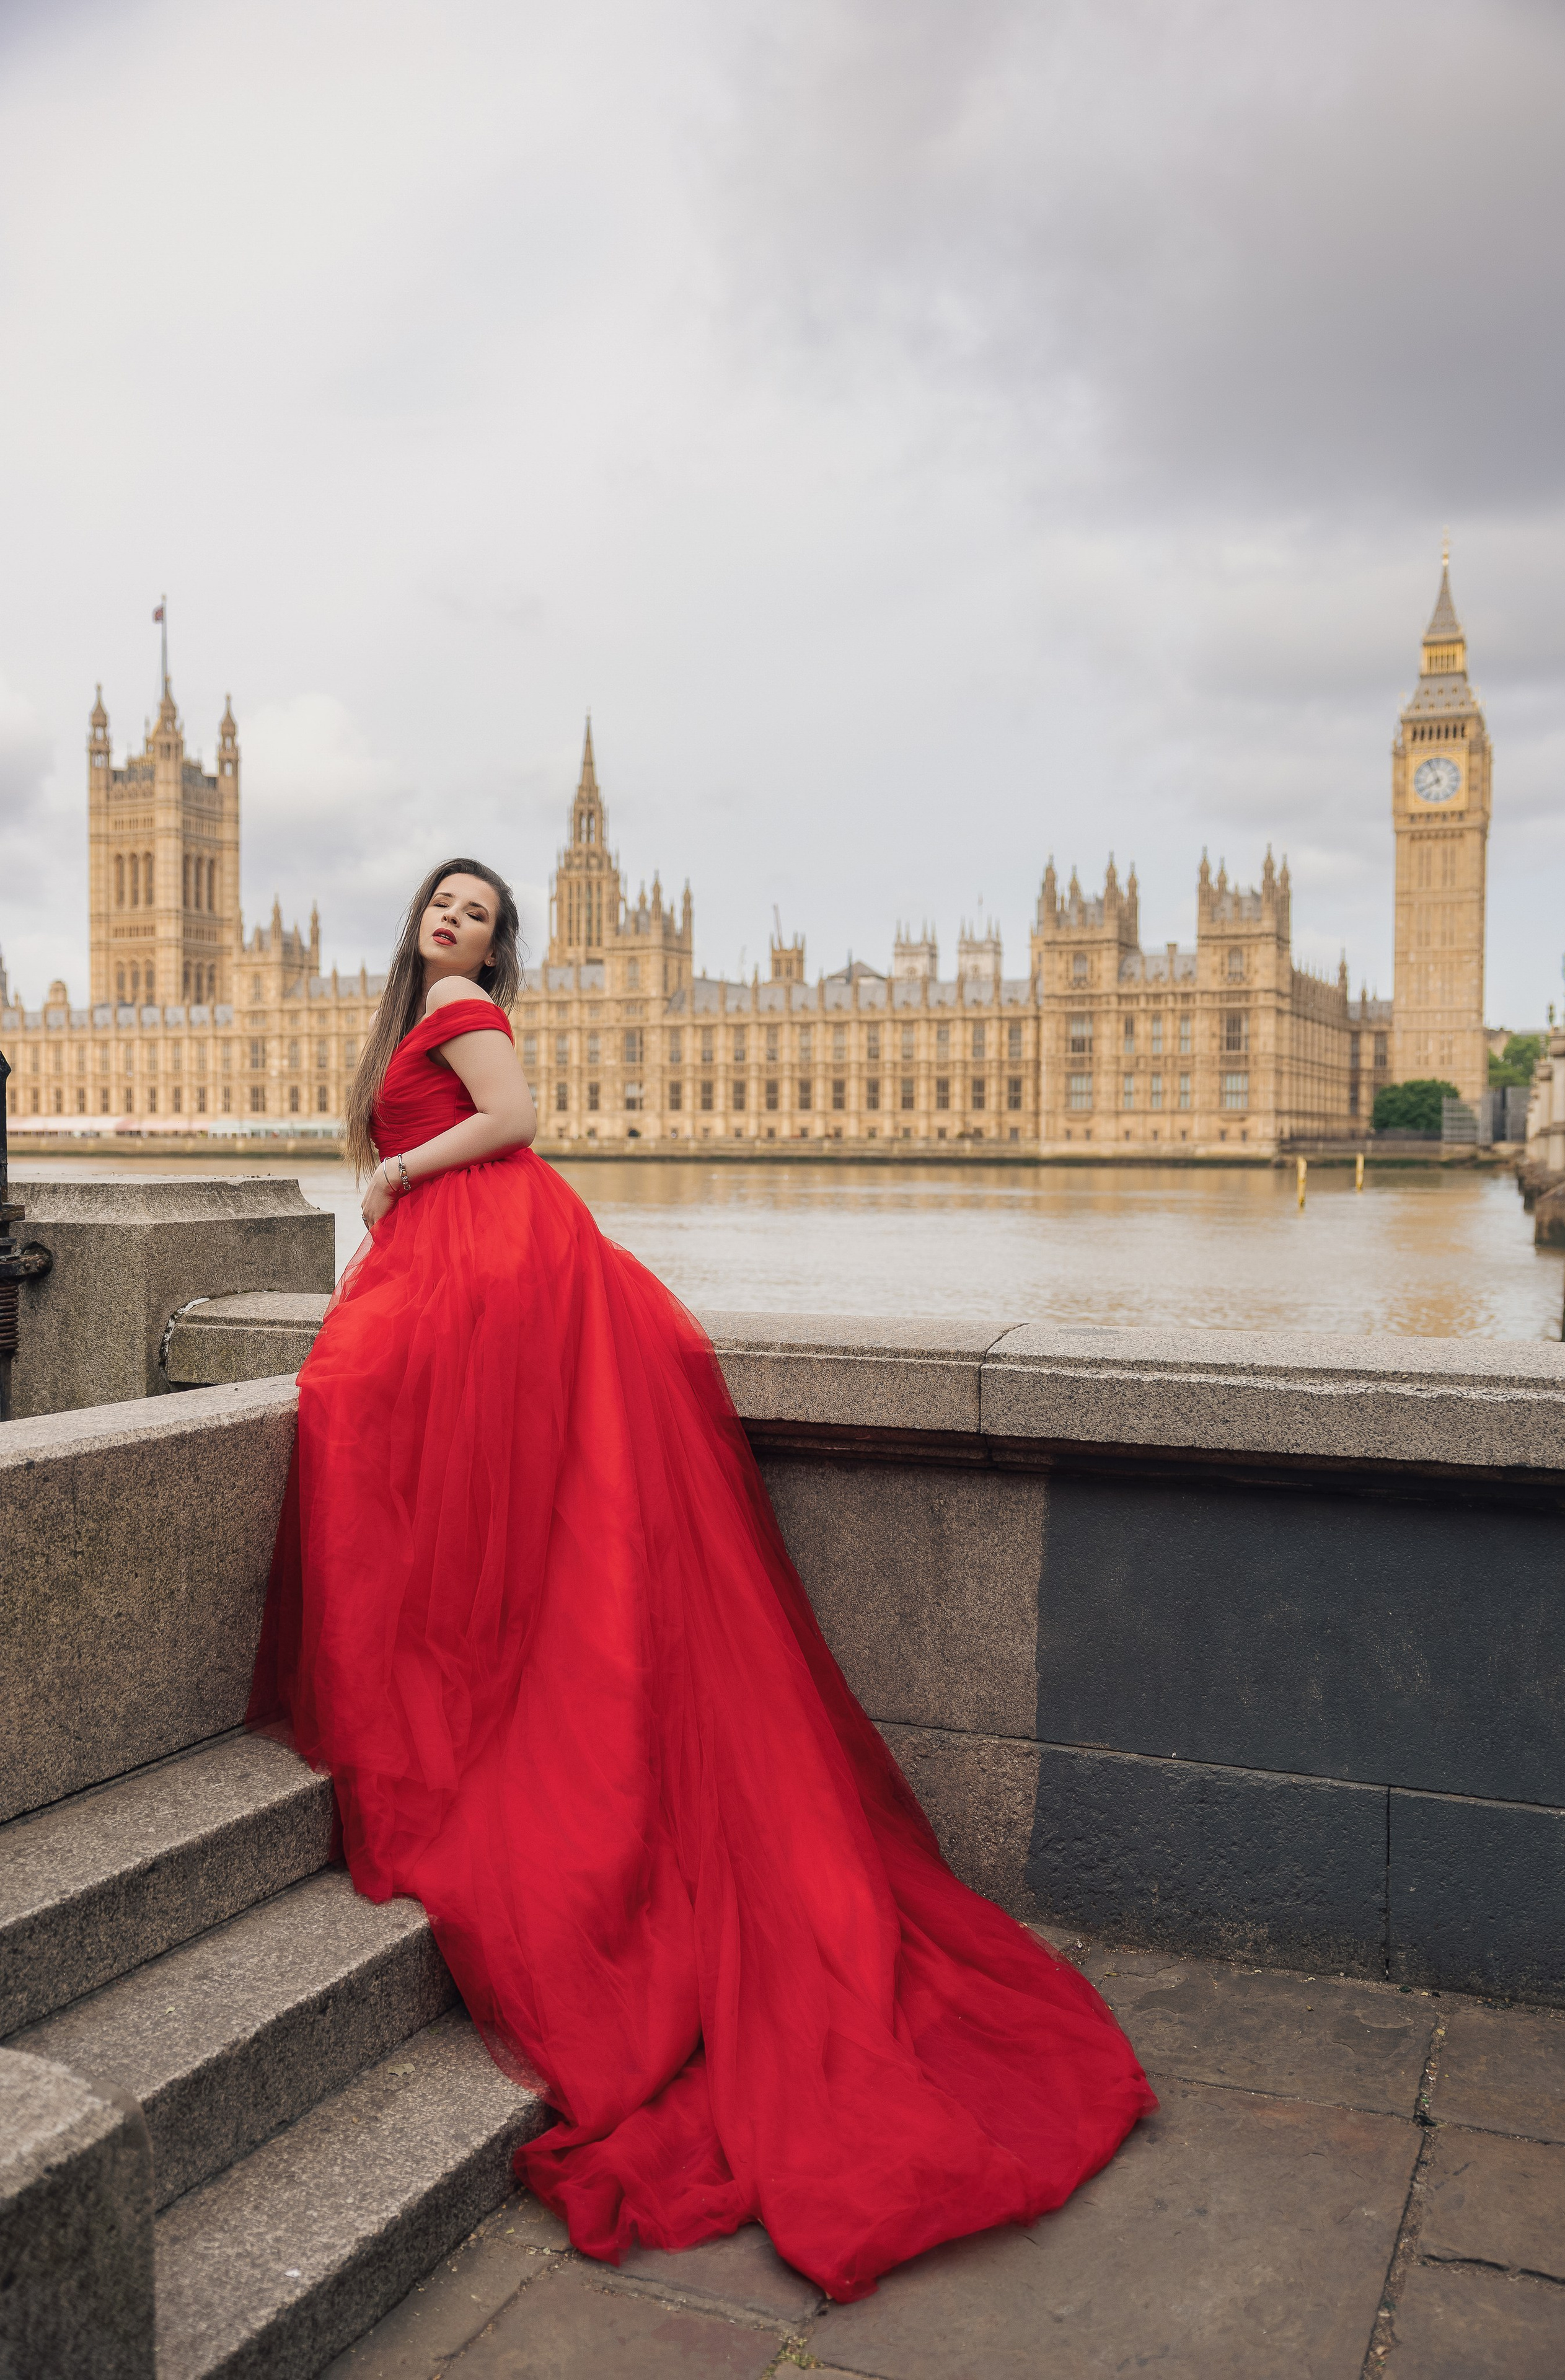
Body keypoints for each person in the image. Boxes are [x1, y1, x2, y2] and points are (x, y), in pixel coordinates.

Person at [250, 857, 1155, 2304]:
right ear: (417, 913)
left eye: (482, 912)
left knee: (384, 1440)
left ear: (502, 941)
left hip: (487, 1248)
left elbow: (515, 1123)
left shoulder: (463, 1006)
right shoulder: (417, 1010)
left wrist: (401, 1175)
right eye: (446, 902)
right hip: (467, 1259)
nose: (457, 923)